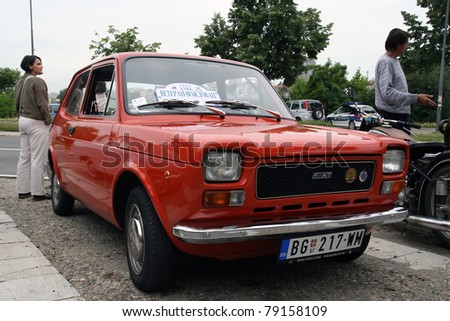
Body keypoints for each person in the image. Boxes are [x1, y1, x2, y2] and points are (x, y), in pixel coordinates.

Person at [375, 28, 436, 122]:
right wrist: (416, 98)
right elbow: (387, 93)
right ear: (398, 44)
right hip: (392, 117)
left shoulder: (394, 61)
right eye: (406, 44)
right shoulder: (386, 62)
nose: (407, 47)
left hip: (399, 115)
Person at [15, 55, 52, 201]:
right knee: (39, 158)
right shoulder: (38, 82)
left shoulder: (20, 81)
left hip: (23, 119)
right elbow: (43, 104)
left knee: (24, 157)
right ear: (30, 66)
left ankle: (23, 190)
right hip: (36, 121)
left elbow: (17, 102)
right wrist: (48, 121)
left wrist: (20, 116)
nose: (42, 66)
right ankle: (38, 192)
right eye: (38, 63)